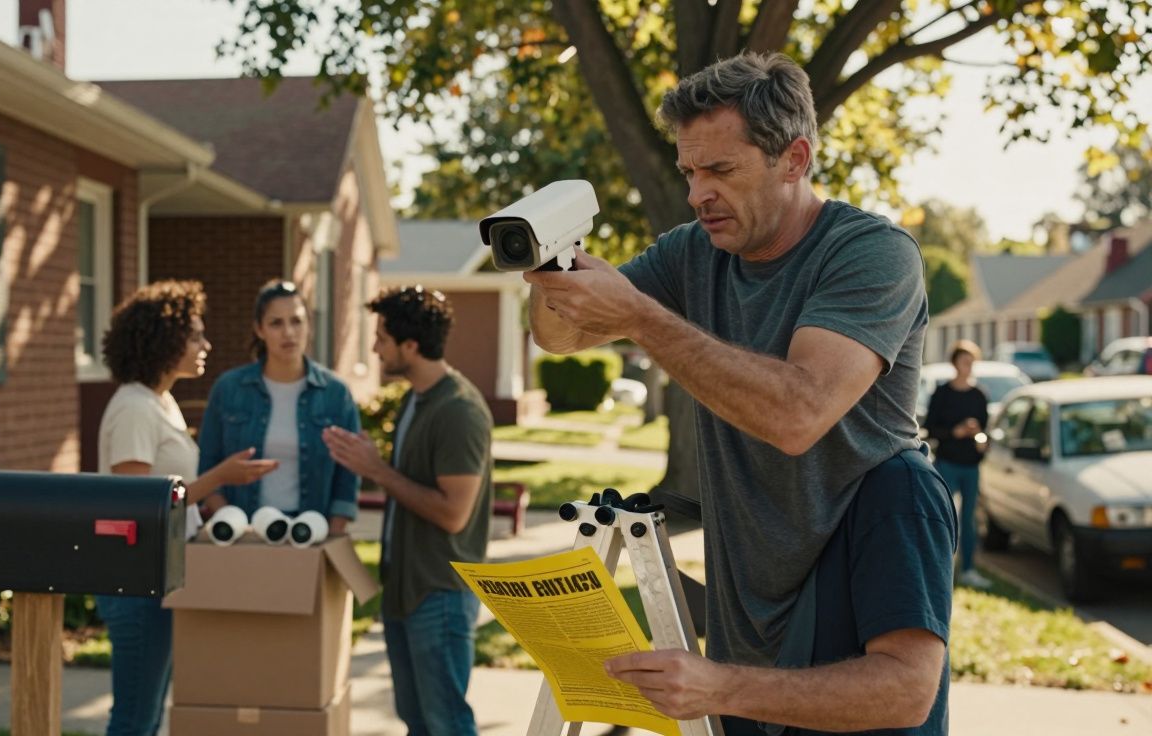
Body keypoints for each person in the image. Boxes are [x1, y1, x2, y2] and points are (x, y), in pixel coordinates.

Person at [524, 52, 955, 735]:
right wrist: (554, 271)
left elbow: (798, 413)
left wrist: (638, 316)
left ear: (794, 158)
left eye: (721, 171)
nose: (698, 195)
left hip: (852, 585)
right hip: (745, 647)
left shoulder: (871, 254)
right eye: (690, 172)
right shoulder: (692, 252)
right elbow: (561, 338)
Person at [96, 279, 278, 736]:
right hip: (134, 583)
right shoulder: (136, 408)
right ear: (164, 340)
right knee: (134, 718)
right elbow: (135, 503)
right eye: (195, 335)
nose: (206, 344)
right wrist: (220, 478)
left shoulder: (161, 402)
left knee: (146, 714)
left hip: (159, 574)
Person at [322, 285, 493, 736]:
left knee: (447, 723)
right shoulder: (415, 401)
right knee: (417, 721)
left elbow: (453, 513)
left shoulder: (459, 411)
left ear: (410, 346)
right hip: (405, 591)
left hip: (439, 593)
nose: (375, 347)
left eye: (381, 337)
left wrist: (377, 470)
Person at [197, 279, 361, 530]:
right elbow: (209, 465)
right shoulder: (229, 389)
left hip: (311, 531)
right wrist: (233, 523)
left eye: (296, 321)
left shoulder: (335, 394)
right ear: (259, 330)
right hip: (244, 530)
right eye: (276, 323)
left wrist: (330, 533)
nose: (289, 332)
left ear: (309, 325)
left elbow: (348, 477)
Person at [923, 340, 991, 589]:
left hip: (971, 466)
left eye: (972, 362)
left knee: (970, 519)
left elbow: (986, 431)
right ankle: (940, 569)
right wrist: (955, 431)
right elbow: (930, 429)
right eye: (965, 361)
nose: (969, 366)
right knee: (944, 518)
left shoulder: (979, 394)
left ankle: (969, 569)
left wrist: (980, 438)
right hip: (947, 464)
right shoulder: (942, 394)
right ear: (955, 364)